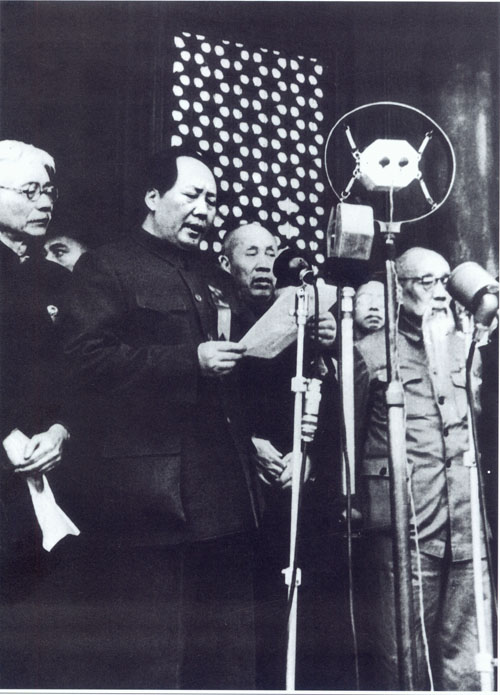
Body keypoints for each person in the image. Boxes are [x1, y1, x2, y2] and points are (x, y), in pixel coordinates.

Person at [60, 146, 262, 690]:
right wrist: (189, 361)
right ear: (153, 197)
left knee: (227, 661)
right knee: (155, 663)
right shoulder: (107, 266)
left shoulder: (213, 276)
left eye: (212, 201)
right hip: (150, 504)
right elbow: (84, 361)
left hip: (227, 497)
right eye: (192, 195)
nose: (205, 210)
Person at [354, 246, 493, 690]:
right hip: (406, 527)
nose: (440, 293)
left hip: (466, 523)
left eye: (444, 281)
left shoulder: (464, 348)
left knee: (470, 658)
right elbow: (349, 442)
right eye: (426, 282)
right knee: (404, 658)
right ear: (398, 289)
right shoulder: (369, 353)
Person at [220, 223, 350, 689]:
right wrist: (248, 444)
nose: (264, 263)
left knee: (311, 616)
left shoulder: (303, 321)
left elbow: (328, 402)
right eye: (251, 253)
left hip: (301, 485)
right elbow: (215, 403)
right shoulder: (218, 318)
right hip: (245, 492)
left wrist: (309, 457)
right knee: (255, 618)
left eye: (271, 252)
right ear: (226, 263)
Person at [0, 140, 73, 686]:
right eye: (29, 191)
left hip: (55, 469)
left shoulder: (59, 281)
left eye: (48, 191)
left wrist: (61, 429)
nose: (44, 202)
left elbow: (81, 375)